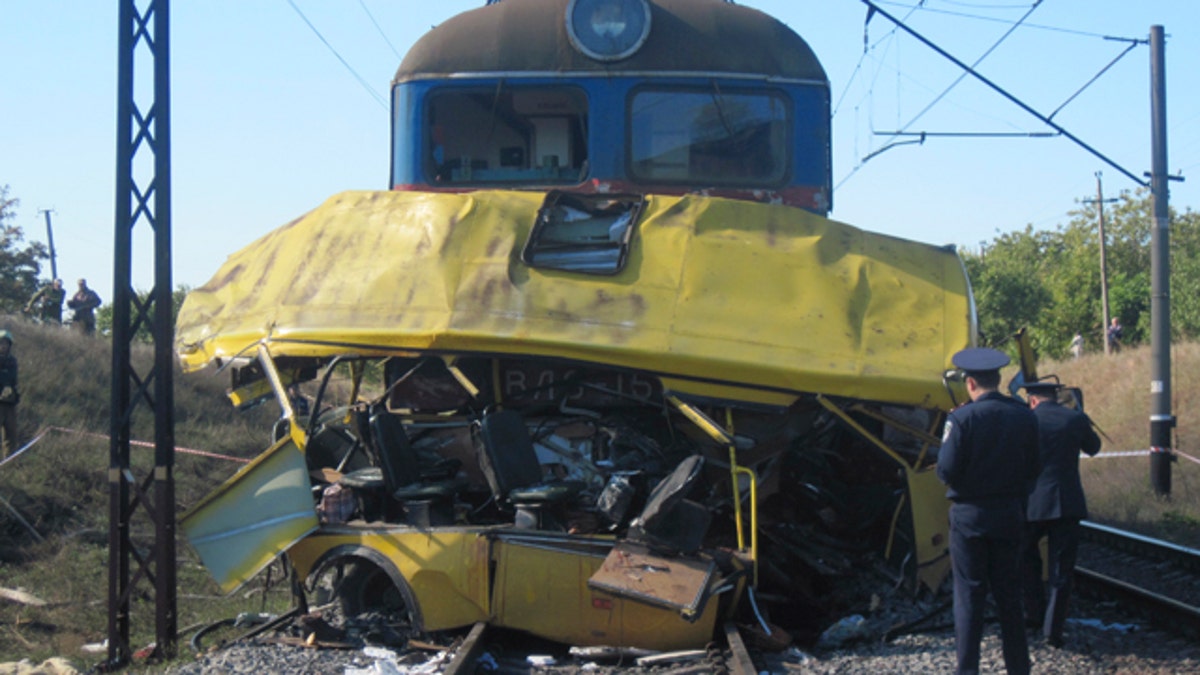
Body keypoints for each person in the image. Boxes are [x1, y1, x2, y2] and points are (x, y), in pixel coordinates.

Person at [937, 347, 1040, 675]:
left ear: (969, 383)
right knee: (1010, 596)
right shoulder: (1024, 415)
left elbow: (946, 470)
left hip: (969, 516)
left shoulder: (961, 418)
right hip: (1009, 513)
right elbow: (1035, 466)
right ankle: (1019, 669)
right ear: (998, 379)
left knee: (969, 596)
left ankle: (967, 670)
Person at [1021, 381, 1102, 649]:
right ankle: (1052, 631)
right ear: (1055, 398)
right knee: (1062, 569)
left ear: (1032, 399)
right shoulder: (1074, 418)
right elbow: (1094, 447)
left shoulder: (1026, 420)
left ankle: (1033, 613)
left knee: (1025, 558)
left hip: (1031, 504)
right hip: (1066, 503)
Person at [0, 331, 19, 459]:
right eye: (1, 343)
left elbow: (14, 380)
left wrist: (14, 394)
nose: (3, 346)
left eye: (6, 344)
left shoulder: (13, 361)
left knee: (11, 436)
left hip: (9, 403)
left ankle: (9, 465)